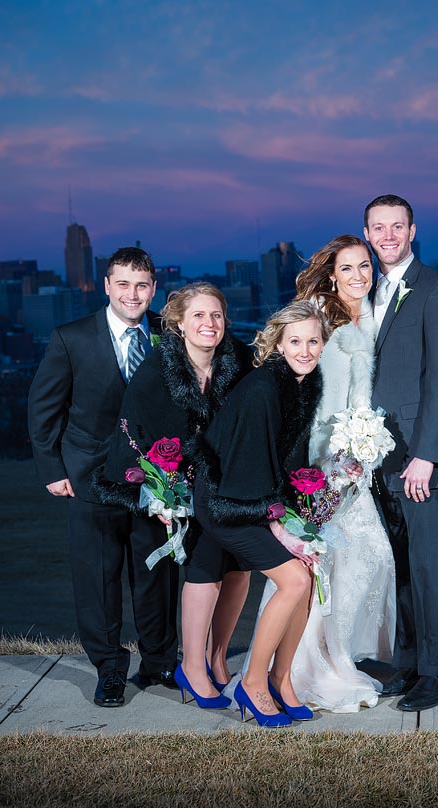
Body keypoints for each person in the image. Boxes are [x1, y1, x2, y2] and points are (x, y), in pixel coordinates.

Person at [250, 235, 396, 713]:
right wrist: (322, 464)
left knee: (368, 560)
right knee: (317, 565)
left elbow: (359, 397)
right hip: (315, 464)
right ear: (331, 273)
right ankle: (295, 672)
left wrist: (363, 446)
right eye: (347, 267)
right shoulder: (317, 318)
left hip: (352, 463)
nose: (358, 275)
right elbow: (304, 393)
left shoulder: (368, 315)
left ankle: (336, 657)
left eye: (365, 267)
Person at [28, 246, 178, 707]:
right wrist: (54, 470)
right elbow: (43, 409)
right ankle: (110, 669)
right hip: (89, 477)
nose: (133, 294)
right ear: (107, 286)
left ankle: (158, 663)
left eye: (142, 285)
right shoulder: (70, 337)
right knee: (97, 577)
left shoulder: (168, 336)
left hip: (152, 480)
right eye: (123, 284)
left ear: (153, 289)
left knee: (155, 576)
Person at [94, 283, 253, 709]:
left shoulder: (237, 363)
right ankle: (188, 665)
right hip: (172, 491)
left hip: (224, 487)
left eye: (216, 315)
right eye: (198, 315)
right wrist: (158, 494)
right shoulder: (157, 369)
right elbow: (135, 435)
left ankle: (218, 659)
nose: (209, 324)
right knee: (189, 572)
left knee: (238, 566)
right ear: (179, 324)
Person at [192, 301, 327, 727]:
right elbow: (249, 467)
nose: (305, 350)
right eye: (295, 341)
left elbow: (288, 461)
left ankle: (281, 679)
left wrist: (300, 523)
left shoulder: (304, 383)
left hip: (260, 499)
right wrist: (283, 528)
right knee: (294, 579)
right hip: (228, 502)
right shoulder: (264, 388)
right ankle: (253, 683)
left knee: (307, 578)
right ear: (278, 344)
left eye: (313, 340)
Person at [365, 194, 438, 712]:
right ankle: (406, 662)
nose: (388, 236)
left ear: (412, 230)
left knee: (429, 568)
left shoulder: (435, 290)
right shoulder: (366, 290)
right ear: (367, 232)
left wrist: (427, 454)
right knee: (397, 565)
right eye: (378, 227)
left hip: (420, 459)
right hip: (376, 456)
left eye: (396, 226)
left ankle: (436, 672)